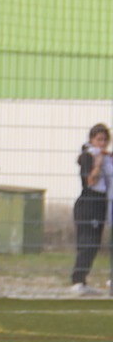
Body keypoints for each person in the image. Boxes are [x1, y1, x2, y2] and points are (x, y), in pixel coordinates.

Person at [69, 124, 109, 295]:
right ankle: (77, 280)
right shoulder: (88, 157)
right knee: (88, 243)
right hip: (89, 202)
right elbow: (90, 181)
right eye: (99, 139)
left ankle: (83, 280)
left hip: (101, 202)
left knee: (95, 243)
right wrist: (98, 164)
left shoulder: (105, 156)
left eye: (105, 139)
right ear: (92, 140)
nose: (103, 143)